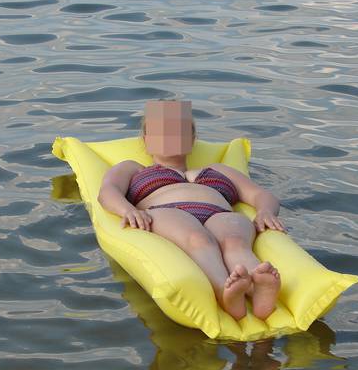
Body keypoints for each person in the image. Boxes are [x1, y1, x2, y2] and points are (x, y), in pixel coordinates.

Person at [97, 99, 286, 321]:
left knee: (234, 242)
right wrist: (127, 210)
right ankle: (224, 291)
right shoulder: (133, 168)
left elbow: (260, 194)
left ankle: (259, 288)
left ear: (192, 139)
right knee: (199, 240)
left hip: (219, 214)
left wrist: (265, 211)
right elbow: (107, 191)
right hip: (168, 212)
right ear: (146, 140)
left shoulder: (218, 169)